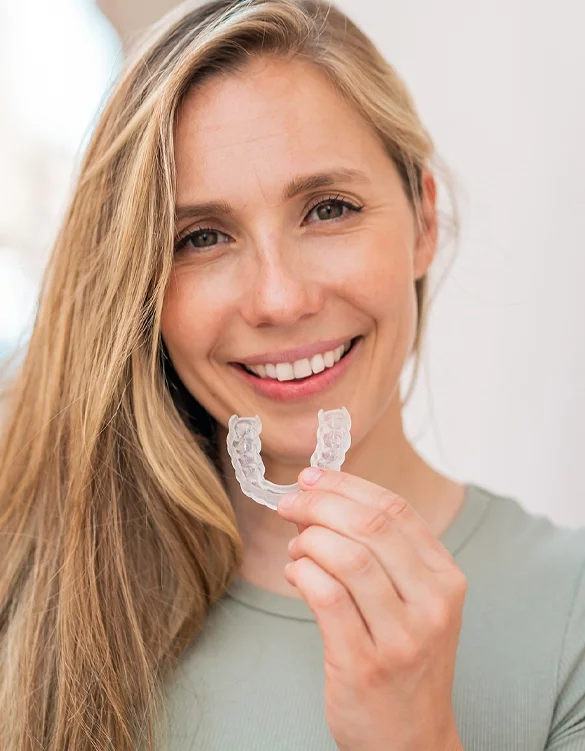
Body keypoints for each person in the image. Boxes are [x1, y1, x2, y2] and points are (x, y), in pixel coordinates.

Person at [1, 0, 584, 749]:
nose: (279, 299)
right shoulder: (25, 598)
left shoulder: (570, 613)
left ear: (423, 220)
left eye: (328, 209)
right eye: (201, 237)